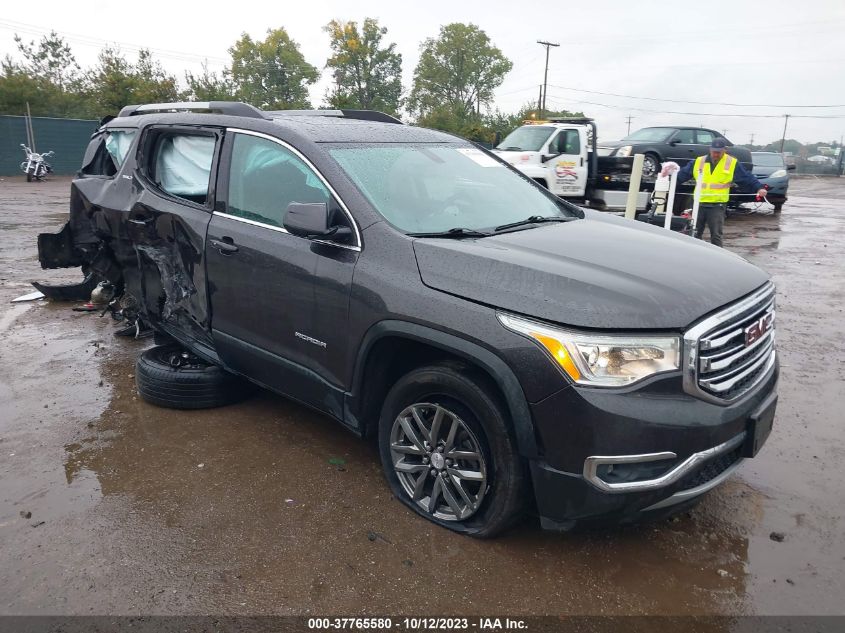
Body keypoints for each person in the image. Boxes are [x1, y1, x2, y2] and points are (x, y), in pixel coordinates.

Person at [667, 139, 767, 247]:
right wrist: (667, 180)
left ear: (725, 150)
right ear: (710, 149)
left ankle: (718, 260)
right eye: (714, 151)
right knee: (694, 233)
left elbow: (746, 178)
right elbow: (681, 176)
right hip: (698, 204)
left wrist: (759, 188)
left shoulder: (731, 163)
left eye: (719, 152)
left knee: (716, 235)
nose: (716, 154)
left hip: (717, 206)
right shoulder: (699, 161)